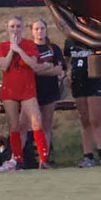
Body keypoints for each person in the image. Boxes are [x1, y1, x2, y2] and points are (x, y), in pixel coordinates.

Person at [0, 15, 51, 170]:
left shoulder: (29, 44)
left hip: (27, 89)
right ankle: (17, 159)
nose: (15, 29)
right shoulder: (2, 46)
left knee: (36, 122)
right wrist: (11, 51)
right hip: (10, 90)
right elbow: (4, 65)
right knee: (14, 126)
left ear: (23, 28)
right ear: (7, 28)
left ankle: (43, 159)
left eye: (18, 26)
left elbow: (33, 64)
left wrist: (19, 49)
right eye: (12, 26)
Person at [64, 38, 101, 168]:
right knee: (84, 119)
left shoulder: (93, 35)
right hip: (78, 81)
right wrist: (64, 75)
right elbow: (65, 62)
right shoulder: (70, 40)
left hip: (94, 80)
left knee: (96, 118)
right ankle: (88, 155)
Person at [31, 18, 65, 168]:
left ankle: (44, 159)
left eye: (42, 28)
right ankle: (33, 156)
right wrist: (47, 67)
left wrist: (41, 69)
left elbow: (59, 70)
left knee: (47, 125)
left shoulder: (53, 48)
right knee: (35, 125)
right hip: (32, 90)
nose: (40, 32)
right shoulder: (30, 48)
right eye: (37, 29)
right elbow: (32, 70)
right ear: (32, 31)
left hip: (50, 90)